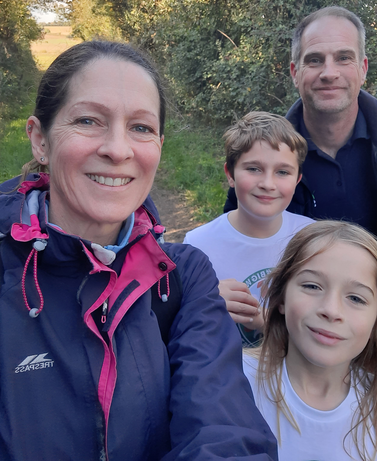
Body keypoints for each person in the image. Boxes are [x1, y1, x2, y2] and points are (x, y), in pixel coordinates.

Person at [0, 41, 278, 461]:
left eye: (141, 128)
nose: (118, 149)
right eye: (89, 120)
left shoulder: (183, 277)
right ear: (40, 140)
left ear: (160, 147)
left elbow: (224, 429)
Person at [226, 6, 377, 346]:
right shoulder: (267, 150)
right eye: (315, 60)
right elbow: (236, 226)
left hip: (374, 316)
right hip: (287, 320)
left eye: (343, 58)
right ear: (295, 72)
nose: (329, 72)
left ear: (363, 68)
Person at [243, 220, 377, 461]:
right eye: (312, 286)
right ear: (280, 297)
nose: (331, 310)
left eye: (356, 298)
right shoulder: (229, 383)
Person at [184, 112, 313, 346]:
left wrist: (263, 320)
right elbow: (180, 325)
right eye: (253, 169)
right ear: (230, 174)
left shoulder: (312, 239)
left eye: (282, 172)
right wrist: (205, 300)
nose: (267, 183)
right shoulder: (197, 245)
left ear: (297, 180)